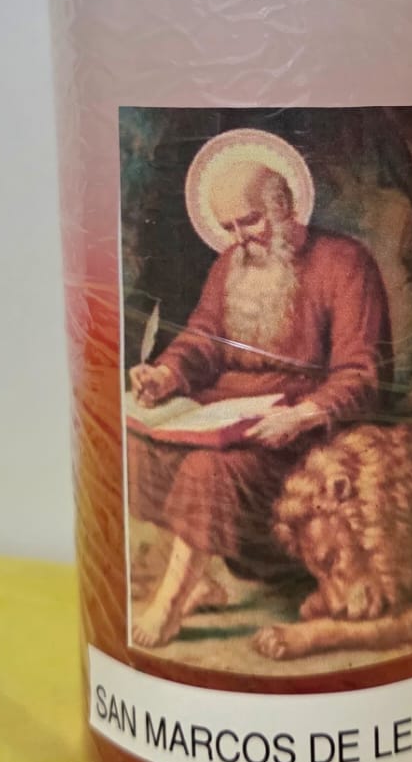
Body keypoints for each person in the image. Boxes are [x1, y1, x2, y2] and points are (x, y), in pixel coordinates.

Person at [128, 154, 390, 647]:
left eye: (249, 221)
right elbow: (204, 338)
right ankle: (202, 580)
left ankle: (169, 605)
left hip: (301, 431)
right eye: (229, 226)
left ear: (283, 207)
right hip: (226, 414)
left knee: (208, 471)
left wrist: (304, 415)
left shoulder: (345, 262)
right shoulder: (231, 264)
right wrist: (166, 374)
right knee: (144, 448)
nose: (240, 237)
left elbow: (362, 372)